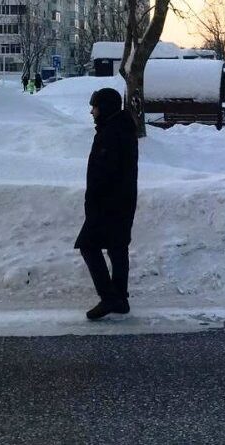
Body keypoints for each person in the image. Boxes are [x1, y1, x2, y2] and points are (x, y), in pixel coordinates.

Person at [75, 88, 139, 320]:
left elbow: (103, 173)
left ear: (106, 108)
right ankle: (120, 298)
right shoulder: (121, 128)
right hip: (122, 200)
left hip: (108, 202)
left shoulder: (111, 134)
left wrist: (93, 202)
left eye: (95, 107)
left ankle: (110, 297)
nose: (92, 112)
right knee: (117, 247)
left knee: (88, 245)